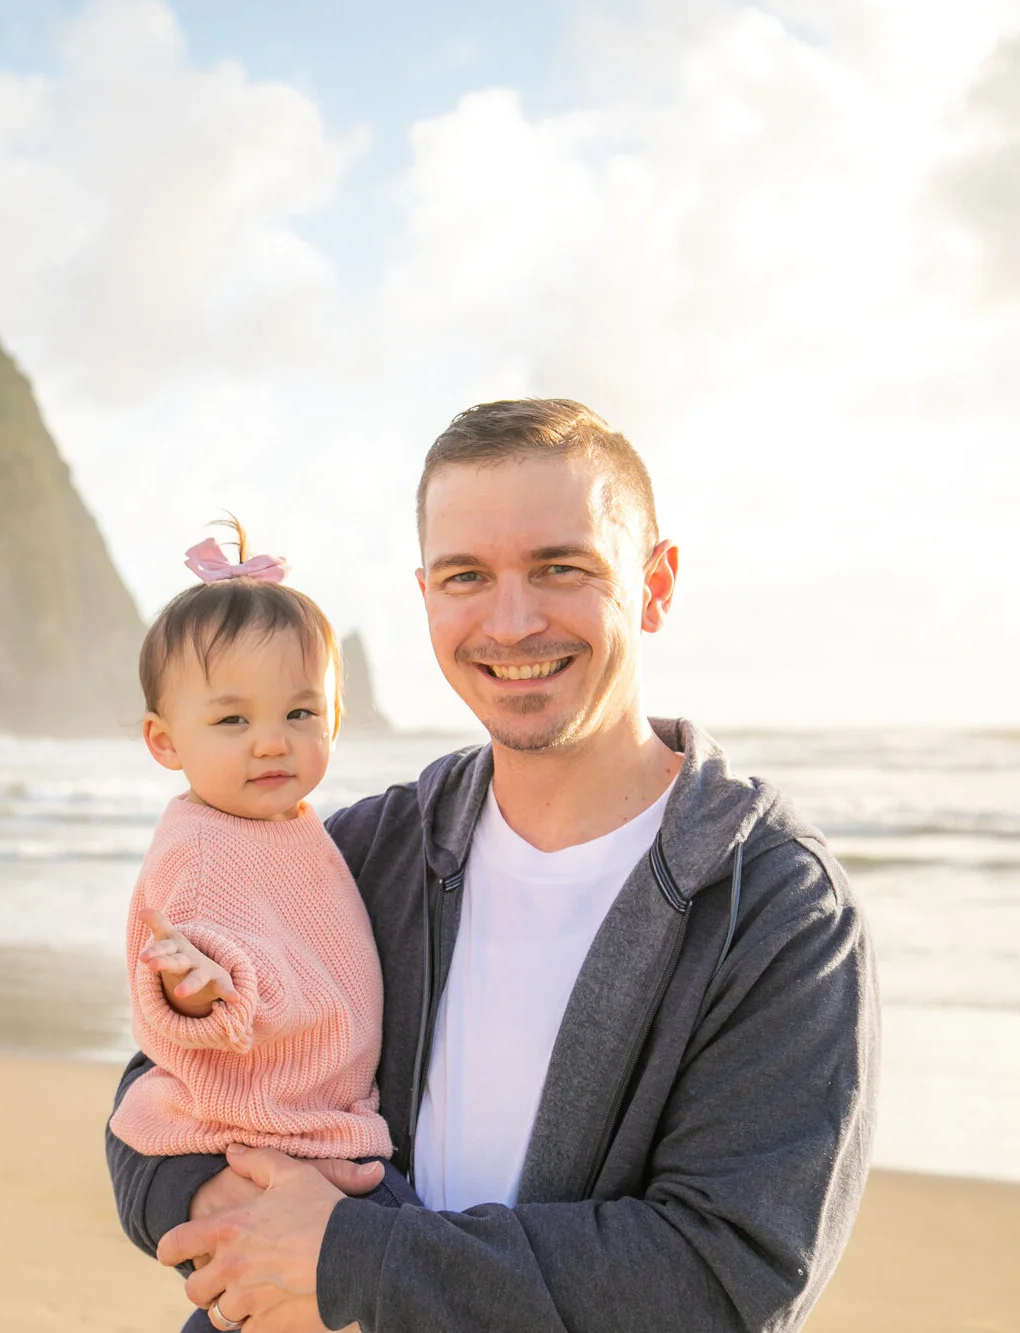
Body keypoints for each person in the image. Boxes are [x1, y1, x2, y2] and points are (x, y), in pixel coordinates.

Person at [105, 399, 877, 1332]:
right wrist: (221, 1212)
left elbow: (726, 1274)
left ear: (655, 583)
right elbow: (165, 1089)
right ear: (425, 594)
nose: (510, 623)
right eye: (468, 575)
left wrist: (351, 1258)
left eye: (561, 567)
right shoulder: (362, 850)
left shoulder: (777, 909)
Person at [111, 524, 420, 1332]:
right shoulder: (202, 845)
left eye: (299, 710)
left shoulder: (294, 827)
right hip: (263, 1137)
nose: (272, 740)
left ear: (336, 716)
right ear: (163, 740)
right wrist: (198, 984)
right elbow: (185, 961)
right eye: (232, 721)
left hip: (315, 1131)